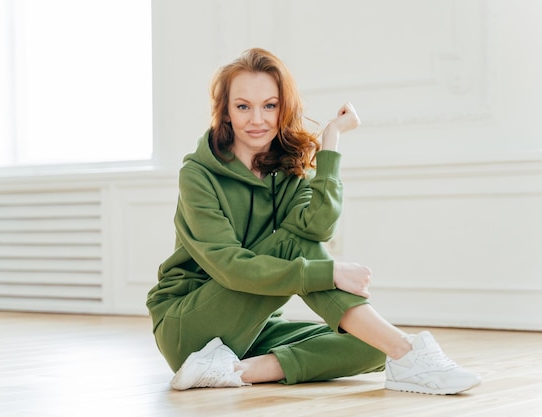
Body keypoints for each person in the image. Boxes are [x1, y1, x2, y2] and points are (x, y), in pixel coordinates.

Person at [146, 47, 481, 395]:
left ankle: (235, 370)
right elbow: (230, 267)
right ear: (226, 112)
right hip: (188, 325)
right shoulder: (198, 174)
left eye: (269, 105)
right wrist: (329, 273)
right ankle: (410, 352)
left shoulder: (285, 169)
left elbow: (318, 228)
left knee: (372, 343)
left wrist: (330, 143)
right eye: (243, 106)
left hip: (253, 330)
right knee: (294, 245)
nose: (257, 119)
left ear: (283, 108)